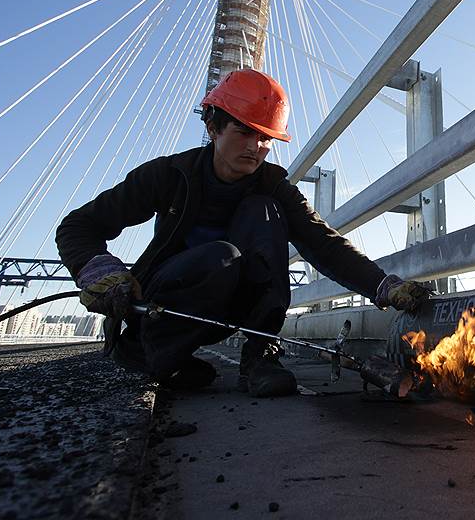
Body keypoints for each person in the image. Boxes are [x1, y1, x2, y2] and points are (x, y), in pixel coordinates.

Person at [56, 69, 430, 397]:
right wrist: (99, 270)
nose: (257, 148)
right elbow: (78, 226)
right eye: (245, 131)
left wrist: (384, 286)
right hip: (164, 306)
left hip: (229, 306)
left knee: (264, 210)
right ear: (213, 127)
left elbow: (323, 243)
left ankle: (260, 354)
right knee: (222, 256)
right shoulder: (170, 175)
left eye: (267, 138)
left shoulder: (272, 186)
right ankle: (149, 352)